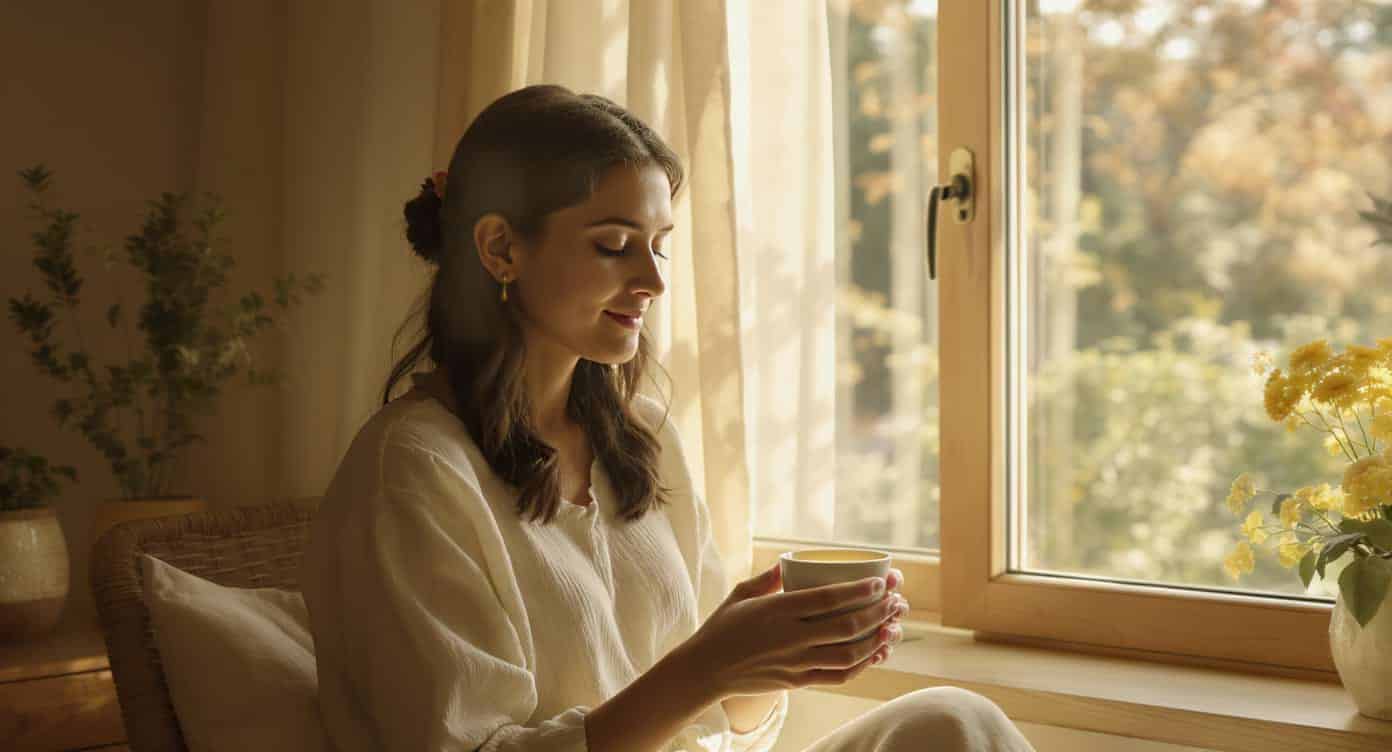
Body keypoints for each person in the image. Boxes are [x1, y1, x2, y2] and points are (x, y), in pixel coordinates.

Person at [300, 84, 1035, 752]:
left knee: (952, 719)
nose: (652, 280)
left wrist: (777, 656)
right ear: (500, 247)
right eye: (614, 246)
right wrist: (705, 666)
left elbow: (724, 724)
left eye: (658, 247)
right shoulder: (413, 470)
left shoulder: (642, 434)